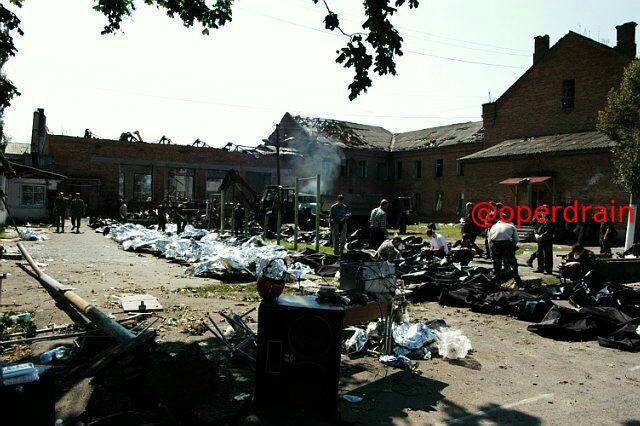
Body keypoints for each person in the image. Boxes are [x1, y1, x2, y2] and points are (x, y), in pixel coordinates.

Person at [488, 210, 522, 285]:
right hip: (506, 244)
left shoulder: (494, 226)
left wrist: (491, 250)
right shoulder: (511, 226)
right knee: (513, 262)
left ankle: (497, 279)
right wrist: (513, 246)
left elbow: (489, 240)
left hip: (496, 244)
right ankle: (517, 277)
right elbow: (516, 239)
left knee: (497, 263)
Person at [534, 208, 554, 274]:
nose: (542, 213)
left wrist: (542, 236)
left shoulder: (549, 220)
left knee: (547, 254)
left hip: (547, 240)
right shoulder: (539, 220)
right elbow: (536, 228)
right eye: (541, 211)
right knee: (539, 254)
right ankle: (540, 268)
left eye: (544, 211)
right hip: (540, 240)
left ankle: (548, 269)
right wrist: (536, 234)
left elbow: (549, 230)